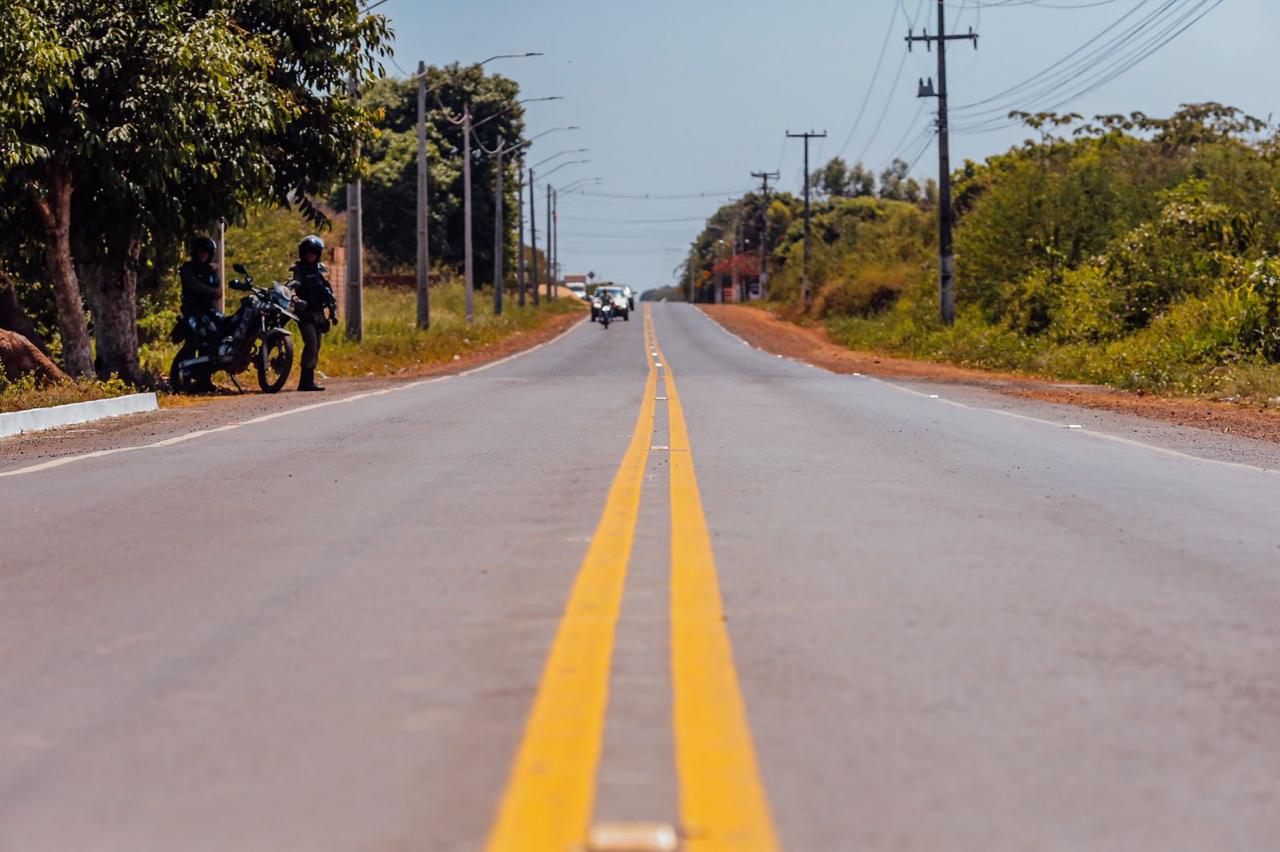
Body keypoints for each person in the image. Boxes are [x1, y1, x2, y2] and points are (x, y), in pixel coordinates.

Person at [290, 235, 337, 392]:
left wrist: (333, 312)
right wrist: (295, 297)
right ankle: (304, 381)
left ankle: (309, 379)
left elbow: (328, 293)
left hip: (319, 314)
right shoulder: (298, 269)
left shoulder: (321, 270)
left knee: (316, 347)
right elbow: (293, 286)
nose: (310, 255)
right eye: (307, 252)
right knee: (311, 343)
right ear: (302, 253)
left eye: (313, 252)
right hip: (305, 313)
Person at [176, 236, 222, 392]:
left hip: (208, 312)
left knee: (215, 340)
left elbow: (216, 290)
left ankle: (204, 379)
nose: (203, 255)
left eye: (206, 253)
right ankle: (185, 380)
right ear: (195, 252)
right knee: (195, 340)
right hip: (192, 311)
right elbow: (193, 285)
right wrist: (212, 291)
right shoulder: (188, 268)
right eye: (201, 252)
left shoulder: (210, 271)